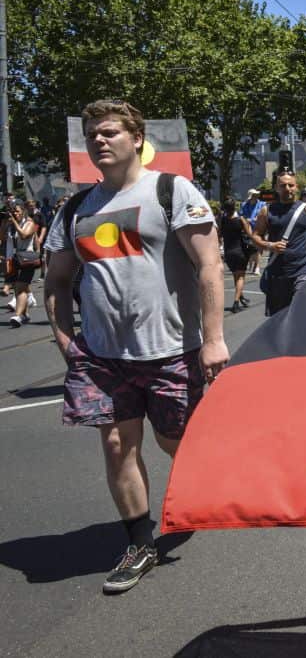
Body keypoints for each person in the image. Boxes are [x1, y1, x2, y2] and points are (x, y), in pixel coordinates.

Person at [43, 99, 228, 593]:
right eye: (92, 135)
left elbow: (209, 266)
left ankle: (209, 483)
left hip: (171, 350)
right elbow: (57, 282)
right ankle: (139, 543)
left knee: (177, 442)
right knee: (117, 445)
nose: (99, 141)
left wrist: (213, 340)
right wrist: (70, 344)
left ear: (136, 139)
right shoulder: (74, 208)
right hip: (103, 358)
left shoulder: (171, 190)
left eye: (109, 133)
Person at [251, 171, 306, 316]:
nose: (287, 188)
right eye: (283, 186)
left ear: (296, 187)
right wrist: (270, 245)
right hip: (278, 274)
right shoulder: (267, 211)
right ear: (276, 188)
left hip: (303, 270)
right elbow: (255, 236)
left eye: (291, 185)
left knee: (301, 311)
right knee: (279, 320)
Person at [2, 202, 40, 326]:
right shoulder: (11, 225)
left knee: (20, 287)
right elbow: (2, 237)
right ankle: (25, 314)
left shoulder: (29, 223)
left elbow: (24, 235)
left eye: (18, 211)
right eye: (13, 212)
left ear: (23, 211)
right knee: (19, 287)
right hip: (15, 259)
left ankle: (18, 316)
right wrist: (4, 223)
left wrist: (14, 222)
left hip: (27, 259)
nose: (15, 214)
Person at [219, 199, 253, 313]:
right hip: (240, 252)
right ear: (235, 208)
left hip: (228, 253)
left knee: (235, 275)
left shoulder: (223, 220)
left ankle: (241, 296)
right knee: (241, 277)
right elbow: (250, 235)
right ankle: (236, 303)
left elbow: (219, 235)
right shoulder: (240, 219)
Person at [240, 189, 266, 275]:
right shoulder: (244, 205)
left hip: (259, 228)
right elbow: (242, 216)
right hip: (248, 228)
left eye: (256, 195)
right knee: (251, 249)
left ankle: (257, 266)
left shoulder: (262, 204)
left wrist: (257, 218)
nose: (255, 197)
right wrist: (246, 219)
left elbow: (263, 214)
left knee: (258, 248)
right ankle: (253, 264)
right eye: (253, 195)